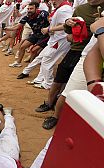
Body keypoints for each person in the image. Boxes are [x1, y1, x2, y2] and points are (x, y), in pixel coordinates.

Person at [39, 0, 104, 129]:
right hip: (81, 52)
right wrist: (69, 24)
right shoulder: (81, 9)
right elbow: (69, 33)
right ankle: (55, 114)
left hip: (89, 54)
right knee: (65, 87)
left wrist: (99, 30)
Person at [6, 2, 51, 67]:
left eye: (31, 9)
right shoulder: (27, 17)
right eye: (28, 9)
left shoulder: (43, 13)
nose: (29, 10)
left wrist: (48, 29)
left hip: (45, 36)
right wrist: (8, 28)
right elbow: (17, 26)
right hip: (35, 35)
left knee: (33, 50)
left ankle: (31, 65)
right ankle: (18, 62)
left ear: (37, 8)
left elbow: (51, 21)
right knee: (22, 47)